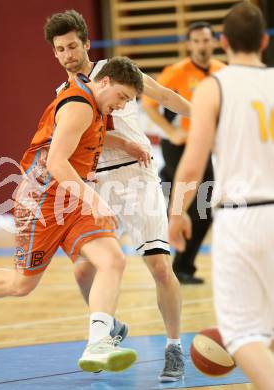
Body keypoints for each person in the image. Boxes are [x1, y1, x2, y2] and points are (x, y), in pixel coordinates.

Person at [0, 57, 144, 373]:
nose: (122, 106)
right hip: (42, 201)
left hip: (71, 197)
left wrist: (125, 143)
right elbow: (56, 162)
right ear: (106, 82)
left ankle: (98, 343)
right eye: (122, 97)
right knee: (21, 285)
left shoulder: (93, 104)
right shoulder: (79, 105)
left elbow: (86, 136)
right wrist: (95, 200)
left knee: (113, 259)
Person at [44, 10, 191, 382]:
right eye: (60, 50)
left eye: (73, 46)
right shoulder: (65, 95)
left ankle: (174, 349)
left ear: (87, 43)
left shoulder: (116, 71)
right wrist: (119, 139)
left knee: (159, 266)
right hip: (96, 182)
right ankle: (108, 327)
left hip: (135, 179)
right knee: (82, 271)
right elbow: (81, 136)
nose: (68, 55)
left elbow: (163, 95)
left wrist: (204, 117)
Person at [168, 3, 274, 389]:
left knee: (241, 333)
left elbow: (193, 164)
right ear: (264, 41)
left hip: (242, 217)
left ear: (223, 42)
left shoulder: (215, 86)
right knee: (269, 327)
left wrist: (177, 212)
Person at [143, 21, 225, 284]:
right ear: (189, 44)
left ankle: (184, 266)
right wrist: (172, 131)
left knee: (204, 206)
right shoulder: (176, 72)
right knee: (184, 200)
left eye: (206, 40)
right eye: (197, 41)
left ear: (214, 42)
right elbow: (149, 104)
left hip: (204, 144)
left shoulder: (221, 71)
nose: (202, 45)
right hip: (178, 144)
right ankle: (175, 261)